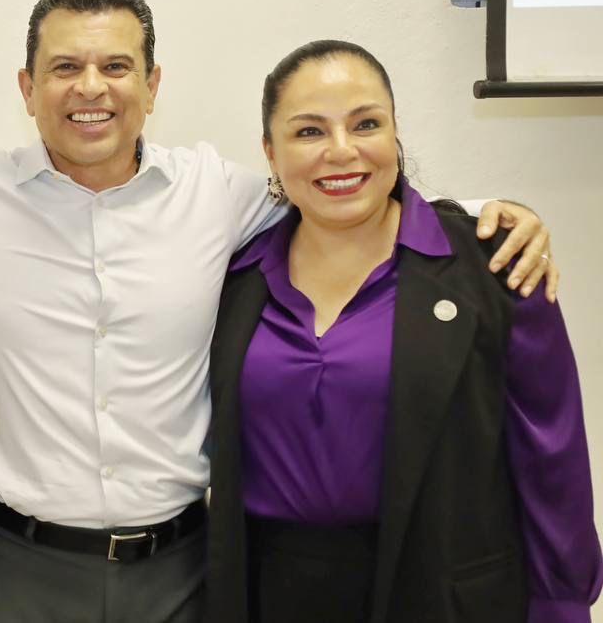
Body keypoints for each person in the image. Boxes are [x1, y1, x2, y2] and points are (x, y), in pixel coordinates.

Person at [0, 0, 556, 623]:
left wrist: (483, 214)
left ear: (152, 84)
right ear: (27, 89)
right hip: (10, 570)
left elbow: (338, 187)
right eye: (64, 66)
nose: (90, 88)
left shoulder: (219, 195)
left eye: (115, 66)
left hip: (180, 571)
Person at [204, 39, 601, 623]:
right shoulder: (234, 278)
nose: (342, 150)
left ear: (394, 133)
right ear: (270, 152)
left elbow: (552, 460)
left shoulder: (495, 268)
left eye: (366, 124)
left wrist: (561, 604)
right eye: (309, 131)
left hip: (444, 589)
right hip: (270, 591)